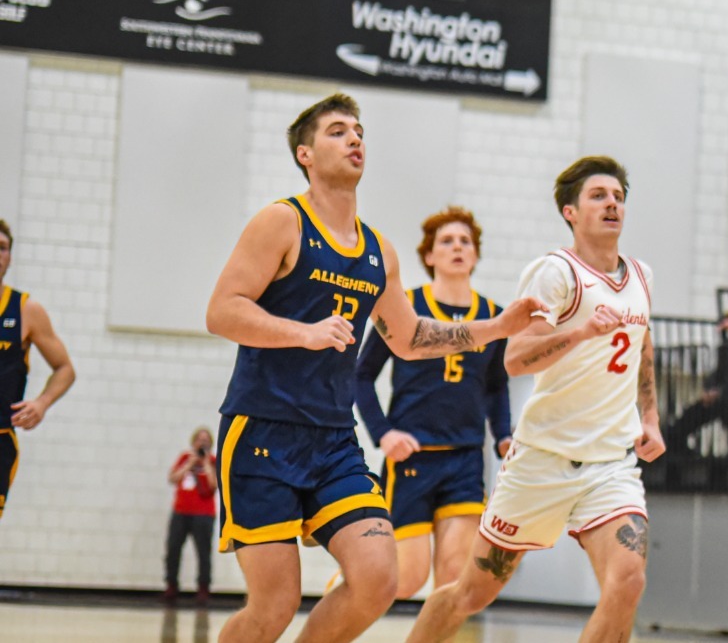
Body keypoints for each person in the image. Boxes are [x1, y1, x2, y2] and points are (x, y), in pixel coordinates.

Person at [204, 95, 540, 643]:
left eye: (359, 131)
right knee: (275, 605)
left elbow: (409, 338)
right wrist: (304, 333)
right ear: (305, 153)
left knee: (380, 578)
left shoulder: (379, 250)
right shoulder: (281, 221)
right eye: (338, 132)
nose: (355, 139)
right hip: (262, 432)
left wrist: (495, 328)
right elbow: (222, 311)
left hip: (334, 442)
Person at [405, 157, 665, 643]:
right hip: (542, 461)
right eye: (598, 195)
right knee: (471, 592)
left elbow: (642, 342)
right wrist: (582, 330)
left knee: (627, 582)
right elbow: (516, 359)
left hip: (611, 463)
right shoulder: (554, 273)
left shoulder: (641, 276)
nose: (612, 203)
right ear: (570, 211)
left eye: (619, 196)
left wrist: (649, 415)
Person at [348, 207, 513, 601]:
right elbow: (360, 375)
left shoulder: (493, 316)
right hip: (412, 460)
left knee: (455, 579)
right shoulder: (404, 306)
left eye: (465, 242)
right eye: (447, 241)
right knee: (407, 578)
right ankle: (344, 592)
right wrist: (383, 433)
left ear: (474, 255)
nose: (457, 247)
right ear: (429, 256)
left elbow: (495, 385)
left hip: (465, 459)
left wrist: (503, 436)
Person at [0, 218, 76, 524]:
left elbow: (65, 369)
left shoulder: (25, 310)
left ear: (10, 257)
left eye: (3, 248)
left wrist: (42, 403)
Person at [666, 311, 728, 456]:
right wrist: (710, 389)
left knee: (724, 402)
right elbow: (717, 374)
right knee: (703, 406)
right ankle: (676, 436)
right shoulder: (726, 350)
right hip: (727, 396)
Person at [164, 426, 218, 606]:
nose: (202, 442)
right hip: (181, 511)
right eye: (199, 440)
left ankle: (203, 588)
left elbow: (214, 485)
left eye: (206, 440)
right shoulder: (185, 458)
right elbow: (172, 478)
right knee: (173, 549)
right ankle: (171, 585)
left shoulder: (213, 461)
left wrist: (206, 465)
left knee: (203, 552)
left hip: (204, 514)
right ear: (193, 442)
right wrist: (189, 464)